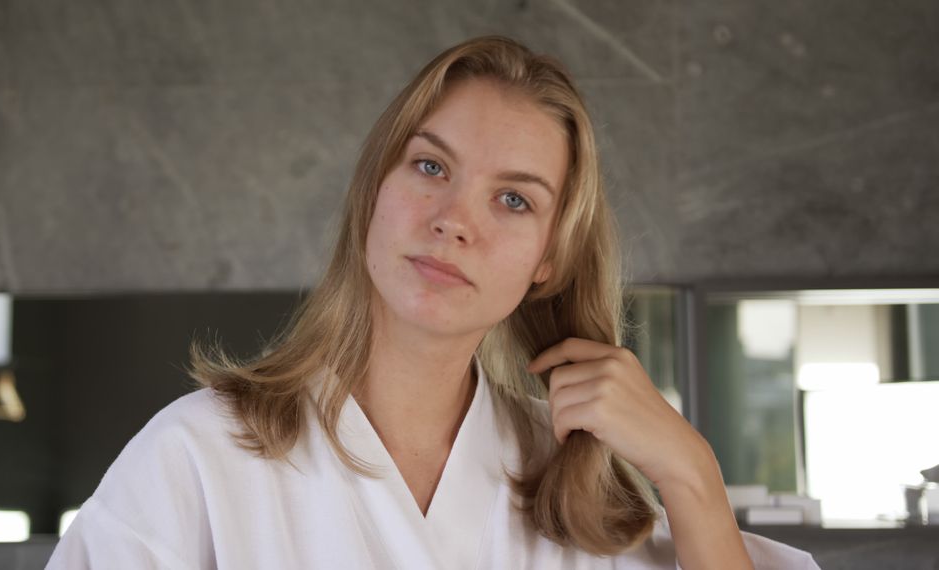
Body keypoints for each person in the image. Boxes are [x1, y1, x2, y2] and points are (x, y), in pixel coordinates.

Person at [47, 36, 819, 569]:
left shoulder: (571, 490)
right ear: (373, 192)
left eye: (514, 200)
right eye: (429, 165)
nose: (455, 219)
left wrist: (690, 471)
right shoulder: (197, 455)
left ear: (548, 258)